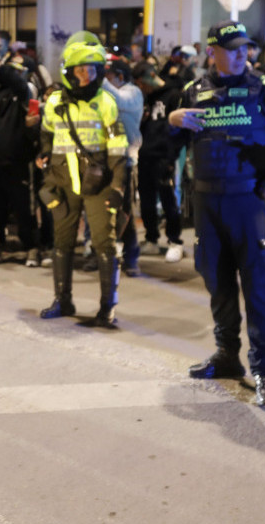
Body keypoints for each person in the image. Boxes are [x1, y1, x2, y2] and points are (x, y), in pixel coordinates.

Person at [169, 20, 265, 407]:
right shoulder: (193, 92)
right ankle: (227, 355)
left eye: (245, 46)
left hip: (250, 204)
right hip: (208, 205)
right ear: (212, 52)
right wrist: (173, 120)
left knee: (259, 289)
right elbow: (167, 145)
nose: (242, 53)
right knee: (218, 284)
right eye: (232, 47)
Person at [37, 32, 128, 326]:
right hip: (62, 184)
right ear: (68, 72)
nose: (86, 75)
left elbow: (118, 151)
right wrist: (43, 161)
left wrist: (117, 187)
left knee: (105, 244)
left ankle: (107, 307)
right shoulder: (53, 103)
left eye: (91, 69)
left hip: (98, 185)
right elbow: (46, 139)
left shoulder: (107, 102)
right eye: (79, 70)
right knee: (61, 243)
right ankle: (62, 301)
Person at [0, 61, 41, 266]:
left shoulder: (27, 90)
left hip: (18, 160)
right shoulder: (1, 91)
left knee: (23, 208)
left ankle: (31, 248)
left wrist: (2, 66)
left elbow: (17, 83)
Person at [133, 61, 184, 262]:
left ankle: (175, 241)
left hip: (165, 155)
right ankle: (151, 238)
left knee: (168, 200)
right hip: (145, 154)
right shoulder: (145, 98)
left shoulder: (173, 96)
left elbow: (179, 130)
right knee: (146, 201)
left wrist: (171, 157)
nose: (141, 87)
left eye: (141, 83)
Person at [102, 54, 143, 276]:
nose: (103, 79)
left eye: (106, 74)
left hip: (126, 160)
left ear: (119, 76)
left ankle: (131, 257)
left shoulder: (132, 92)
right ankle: (100, 253)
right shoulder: (107, 93)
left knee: (125, 210)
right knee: (101, 210)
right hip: (104, 159)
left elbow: (119, 100)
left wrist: (99, 79)